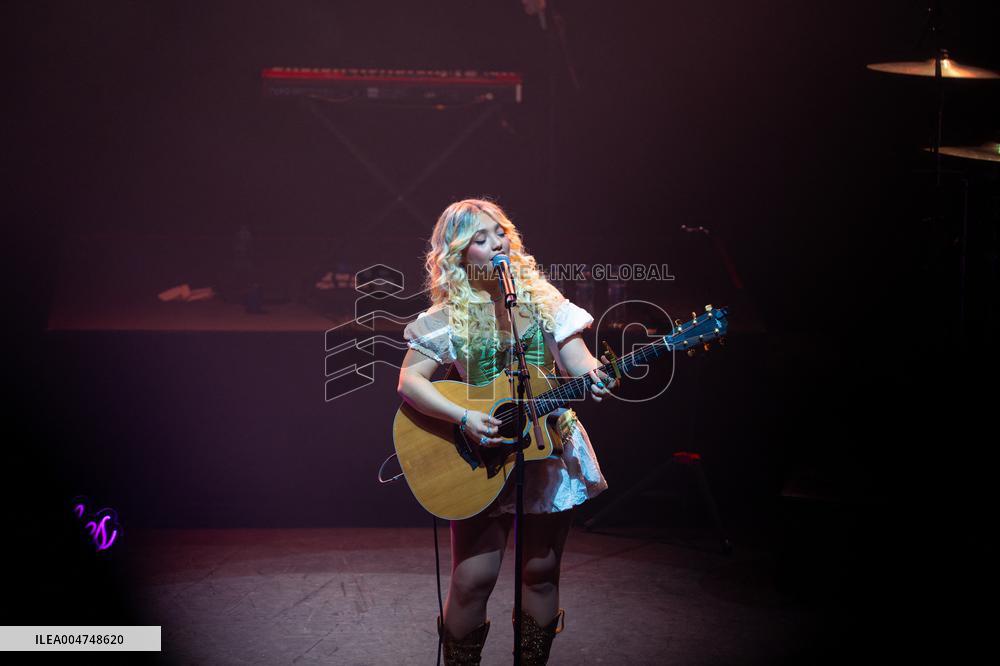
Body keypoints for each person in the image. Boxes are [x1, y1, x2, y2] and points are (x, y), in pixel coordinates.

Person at [397, 199, 617, 665]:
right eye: (480, 239)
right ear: (459, 255)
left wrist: (595, 374)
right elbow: (410, 381)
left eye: (499, 232)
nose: (496, 243)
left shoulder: (542, 299)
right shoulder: (451, 316)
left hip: (547, 447)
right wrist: (463, 417)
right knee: (472, 580)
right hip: (483, 454)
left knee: (541, 572)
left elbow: (577, 359)